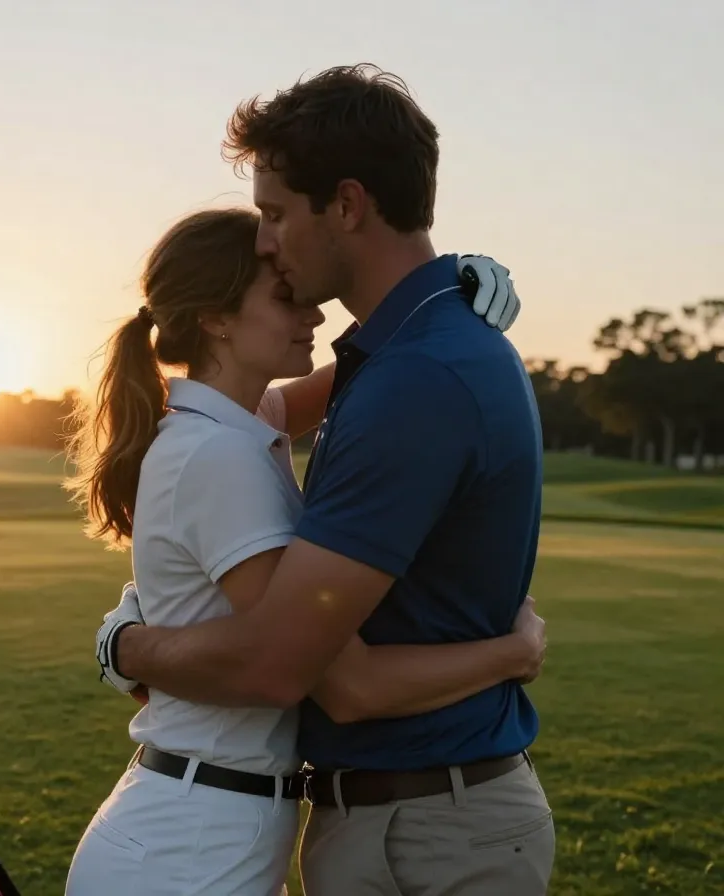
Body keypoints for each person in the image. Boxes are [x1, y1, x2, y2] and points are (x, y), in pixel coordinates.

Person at [94, 65, 554, 896]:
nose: (269, 238)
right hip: (250, 832)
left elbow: (304, 671)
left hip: (419, 826)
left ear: (345, 205)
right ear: (217, 321)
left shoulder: (402, 380)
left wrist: (447, 284)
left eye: (274, 214)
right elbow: (311, 673)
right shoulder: (237, 436)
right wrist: (514, 652)